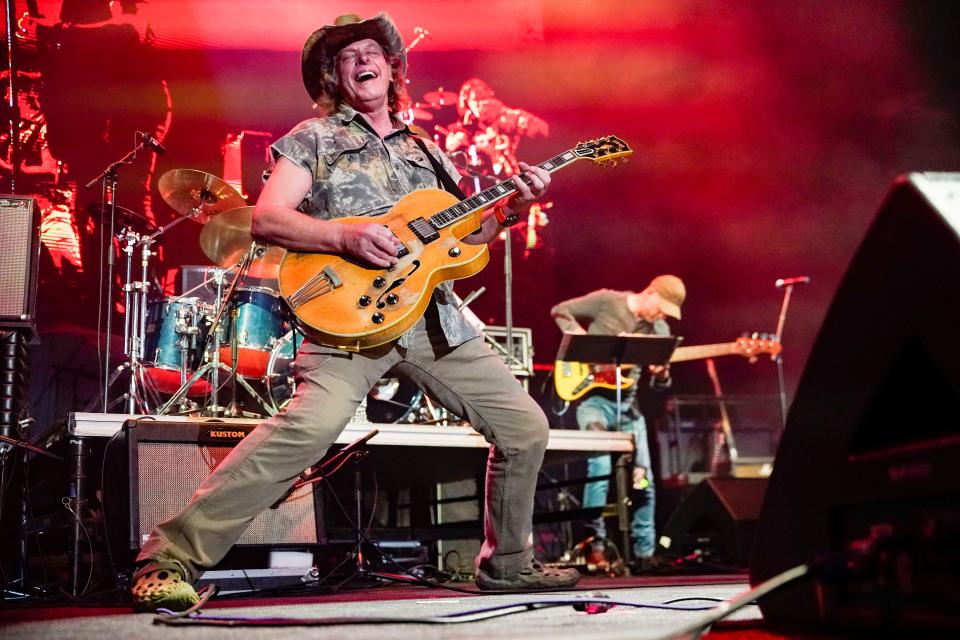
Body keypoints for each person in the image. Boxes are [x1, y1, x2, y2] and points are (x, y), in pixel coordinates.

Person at [129, 12, 579, 612]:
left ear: (392, 68)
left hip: (430, 320)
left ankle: (508, 565)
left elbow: (465, 242)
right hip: (346, 318)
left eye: (371, 51)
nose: (361, 61)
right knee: (307, 430)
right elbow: (266, 218)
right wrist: (344, 238)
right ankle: (167, 557)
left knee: (526, 427)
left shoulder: (428, 149)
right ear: (334, 77)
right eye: (346, 57)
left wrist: (509, 211)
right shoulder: (313, 138)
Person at [550, 275, 686, 569]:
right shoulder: (607, 300)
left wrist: (662, 375)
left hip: (629, 407)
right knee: (598, 470)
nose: (661, 316)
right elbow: (560, 309)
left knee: (644, 478)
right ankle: (594, 546)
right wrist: (580, 337)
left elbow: (662, 385)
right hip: (594, 403)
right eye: (661, 308)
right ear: (649, 292)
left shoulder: (659, 330)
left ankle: (645, 553)